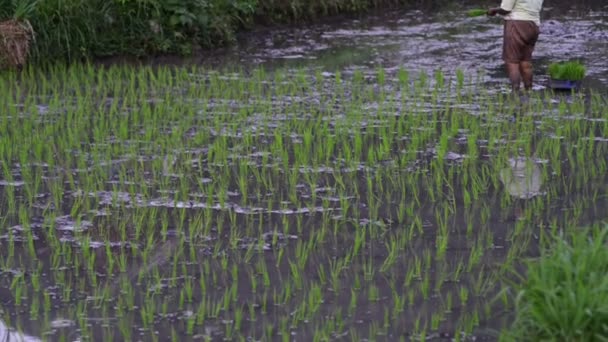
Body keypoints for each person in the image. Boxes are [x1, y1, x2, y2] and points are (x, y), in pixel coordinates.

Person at [487, 0, 544, 92]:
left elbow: (505, 9)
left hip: (516, 24)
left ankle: (515, 92)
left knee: (512, 61)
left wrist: (494, 10)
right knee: (526, 61)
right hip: (534, 25)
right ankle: (528, 90)